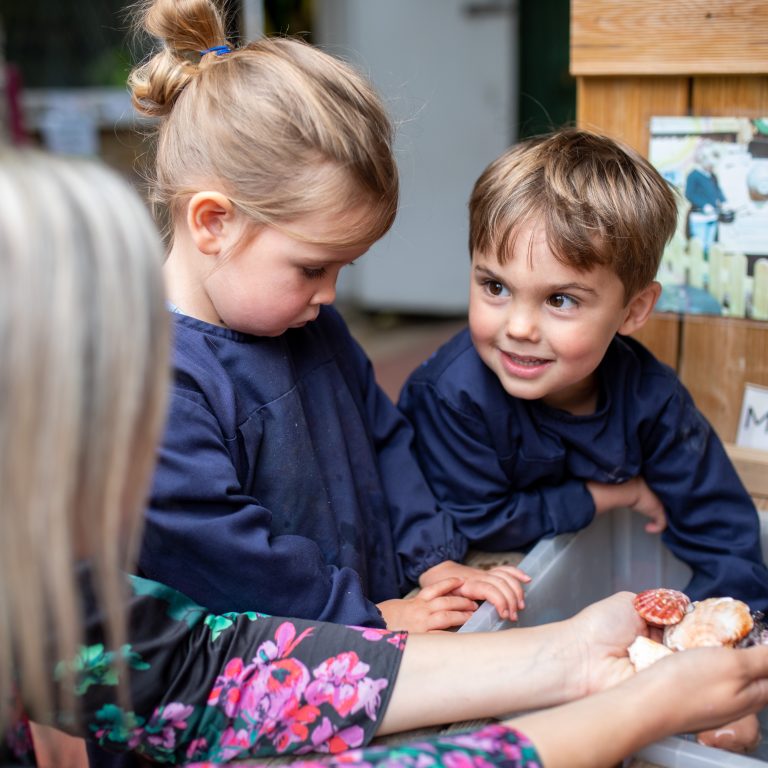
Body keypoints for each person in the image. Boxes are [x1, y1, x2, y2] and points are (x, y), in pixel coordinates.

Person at [4, 148, 768, 768]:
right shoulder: (183, 386)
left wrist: (648, 652)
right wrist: (634, 700)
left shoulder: (58, 602)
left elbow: (188, 670)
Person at [130, 0, 529, 634]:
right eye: (314, 267)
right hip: (267, 692)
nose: (331, 296)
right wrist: (366, 617)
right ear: (214, 222)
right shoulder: (155, 384)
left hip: (365, 631)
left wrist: (430, 559)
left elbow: (384, 437)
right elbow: (230, 558)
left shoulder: (305, 322)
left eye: (344, 269)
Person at [399, 128, 768, 615]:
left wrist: (723, 629)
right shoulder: (451, 395)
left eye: (560, 299)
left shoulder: (652, 400)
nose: (520, 327)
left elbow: (722, 530)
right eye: (495, 286)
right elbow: (484, 521)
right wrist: (611, 494)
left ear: (634, 310)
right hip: (463, 577)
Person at [685, 139, 729, 257]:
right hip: (699, 217)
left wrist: (724, 202)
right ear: (703, 159)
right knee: (700, 245)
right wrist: (703, 205)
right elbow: (689, 194)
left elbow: (717, 190)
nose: (712, 167)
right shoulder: (693, 175)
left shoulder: (713, 176)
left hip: (713, 216)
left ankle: (708, 269)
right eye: (710, 164)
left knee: (710, 246)